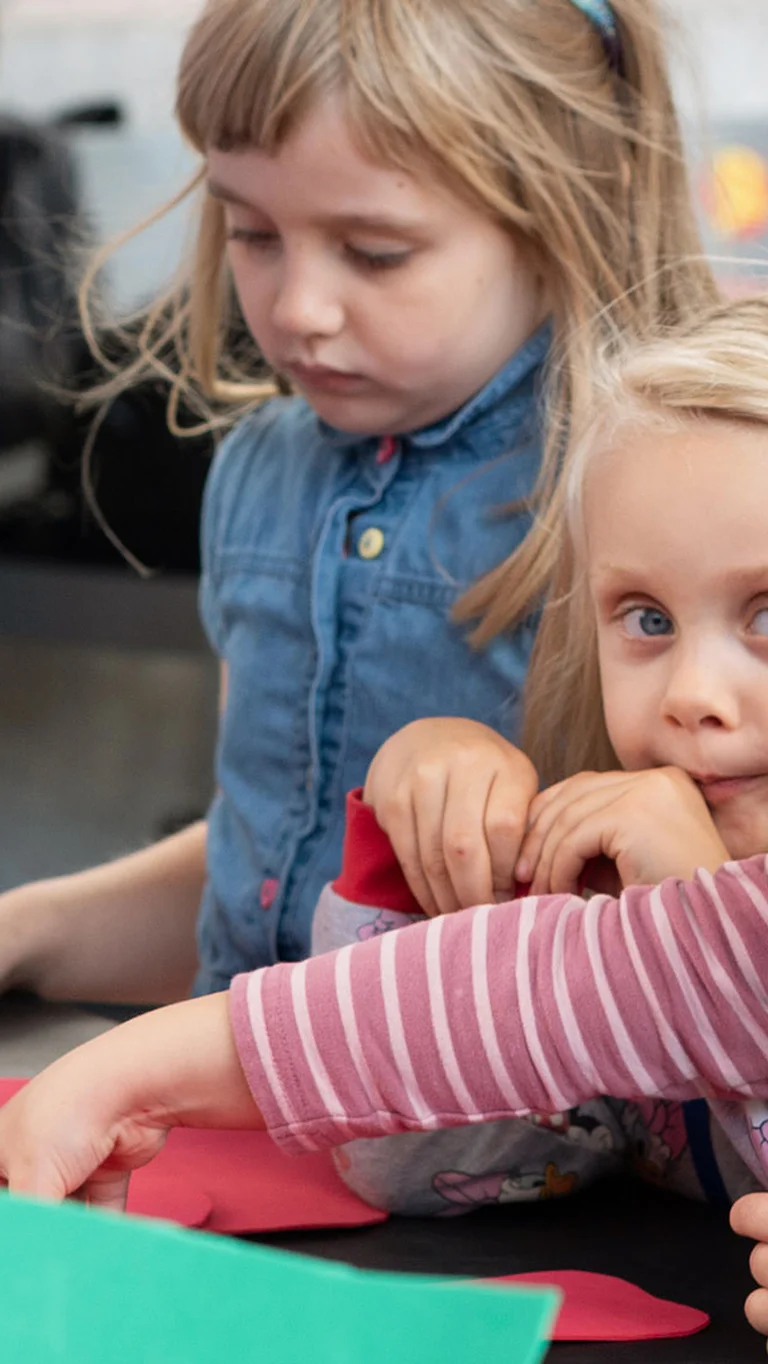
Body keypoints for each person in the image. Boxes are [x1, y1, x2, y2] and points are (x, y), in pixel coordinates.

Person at [4, 296, 768, 1342]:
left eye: (767, 614)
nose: (694, 692)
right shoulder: (616, 878)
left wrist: (694, 925)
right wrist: (403, 851)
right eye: (646, 618)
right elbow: (421, 1112)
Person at [0, 0, 715, 1005]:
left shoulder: (649, 494)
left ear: (565, 208)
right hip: (233, 1119)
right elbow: (268, 867)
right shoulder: (257, 469)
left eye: (375, 253)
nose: (297, 310)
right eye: (252, 232)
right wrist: (26, 929)